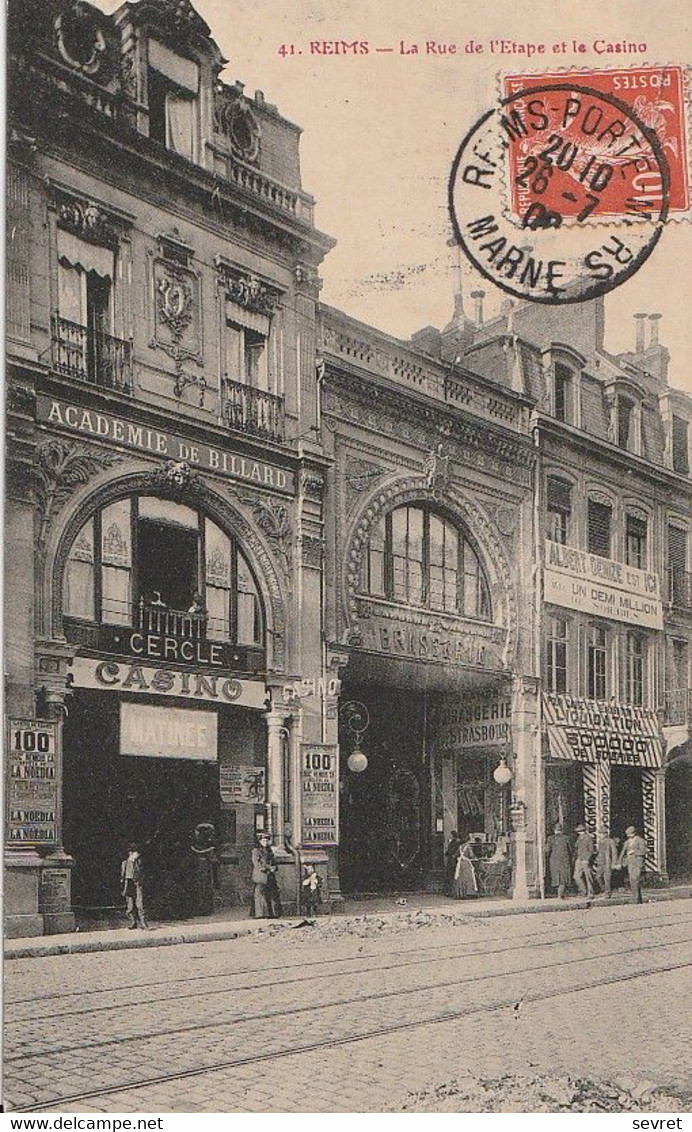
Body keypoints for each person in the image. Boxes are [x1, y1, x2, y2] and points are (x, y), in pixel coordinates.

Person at [251, 833, 282, 918]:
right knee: (261, 895)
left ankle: (274, 913)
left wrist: (275, 867)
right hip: (261, 876)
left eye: (266, 840)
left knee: (273, 894)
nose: (265, 842)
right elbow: (257, 864)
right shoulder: (256, 851)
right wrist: (268, 868)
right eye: (263, 840)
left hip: (270, 875)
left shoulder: (269, 850)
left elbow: (273, 861)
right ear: (260, 841)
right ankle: (260, 914)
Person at [190, 822, 218, 916]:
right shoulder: (210, 847)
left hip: (200, 868)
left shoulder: (195, 846)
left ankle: (201, 908)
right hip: (204, 868)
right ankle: (204, 909)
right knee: (204, 887)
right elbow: (213, 859)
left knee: (201, 887)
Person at [121, 844, 148, 929]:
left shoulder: (139, 862)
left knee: (140, 904)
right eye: (136, 853)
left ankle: (143, 923)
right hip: (129, 884)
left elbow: (142, 874)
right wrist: (123, 887)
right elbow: (122, 875)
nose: (138, 855)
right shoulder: (125, 863)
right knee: (130, 905)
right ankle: (133, 922)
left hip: (137, 884)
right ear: (131, 853)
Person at [617, 825, 647, 904]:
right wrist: (619, 862)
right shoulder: (627, 842)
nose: (629, 836)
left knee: (635, 879)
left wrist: (634, 852)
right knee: (632, 880)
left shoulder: (640, 841)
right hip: (630, 863)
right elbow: (622, 852)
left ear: (634, 833)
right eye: (628, 835)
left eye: (630, 834)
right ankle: (638, 898)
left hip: (637, 862)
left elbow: (643, 852)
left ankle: (635, 899)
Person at [545, 823, 572, 899]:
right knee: (563, 878)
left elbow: (547, 850)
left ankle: (559, 895)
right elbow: (570, 849)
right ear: (561, 830)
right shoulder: (566, 838)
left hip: (554, 861)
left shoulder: (551, 838)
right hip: (564, 860)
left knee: (557, 878)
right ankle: (560, 895)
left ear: (554, 830)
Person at [594, 828, 620, 898]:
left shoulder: (610, 841)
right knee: (598, 877)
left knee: (607, 878)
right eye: (600, 834)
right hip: (600, 862)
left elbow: (614, 852)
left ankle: (607, 893)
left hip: (608, 862)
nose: (601, 835)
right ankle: (603, 889)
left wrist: (614, 863)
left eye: (602, 834)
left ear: (606, 834)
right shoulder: (600, 842)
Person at [573, 824, 595, 898]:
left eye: (580, 831)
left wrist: (587, 859)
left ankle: (590, 893)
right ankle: (583, 891)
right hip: (579, 858)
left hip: (585, 859)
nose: (580, 832)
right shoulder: (579, 838)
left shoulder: (588, 838)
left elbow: (591, 850)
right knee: (576, 876)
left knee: (588, 876)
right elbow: (577, 848)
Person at [444, 830, 462, 895]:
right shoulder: (457, 842)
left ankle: (450, 891)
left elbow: (451, 851)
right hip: (453, 860)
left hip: (452, 861)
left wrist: (447, 853)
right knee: (452, 875)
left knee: (451, 875)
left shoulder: (454, 842)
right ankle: (451, 891)